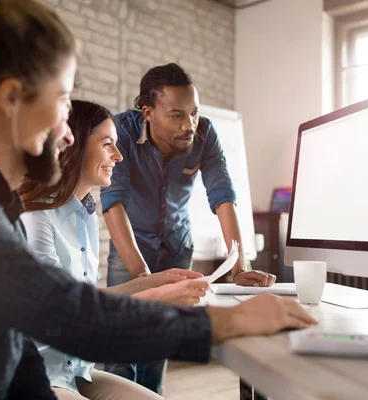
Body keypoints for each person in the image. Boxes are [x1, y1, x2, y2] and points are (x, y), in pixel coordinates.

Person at [0, 1, 317, 398]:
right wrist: (223, 324)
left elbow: (17, 340)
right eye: (64, 99)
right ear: (10, 98)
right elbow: (67, 311)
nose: (70, 131)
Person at [100, 63, 277, 393]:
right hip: (130, 248)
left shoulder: (204, 134)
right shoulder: (121, 130)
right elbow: (113, 202)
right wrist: (142, 277)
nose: (189, 125)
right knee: (121, 346)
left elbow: (223, 197)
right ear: (148, 112)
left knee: (159, 342)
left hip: (177, 245)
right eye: (177, 115)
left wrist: (239, 268)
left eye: (193, 113)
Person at [19, 100, 210, 399]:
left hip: (77, 370)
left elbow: (86, 296)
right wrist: (158, 296)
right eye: (107, 144)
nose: (119, 157)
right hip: (38, 376)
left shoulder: (86, 216)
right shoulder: (36, 218)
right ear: (74, 145)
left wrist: (154, 281)